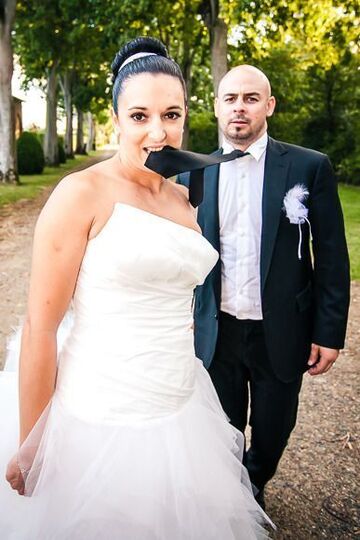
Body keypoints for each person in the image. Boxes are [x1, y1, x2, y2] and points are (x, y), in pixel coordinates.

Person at [0, 39, 271, 539]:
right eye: (140, 115)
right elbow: (41, 326)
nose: (158, 132)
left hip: (178, 402)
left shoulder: (183, 196)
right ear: (117, 117)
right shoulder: (80, 194)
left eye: (172, 114)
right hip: (99, 413)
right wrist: (32, 440)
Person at [178, 65, 350, 508]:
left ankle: (256, 477)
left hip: (282, 326)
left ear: (268, 106)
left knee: (275, 426)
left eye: (251, 98)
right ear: (216, 107)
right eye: (230, 98)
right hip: (217, 328)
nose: (239, 107)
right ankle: (233, 494)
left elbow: (331, 254)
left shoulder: (309, 167)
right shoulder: (191, 174)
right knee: (223, 425)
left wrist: (328, 334)